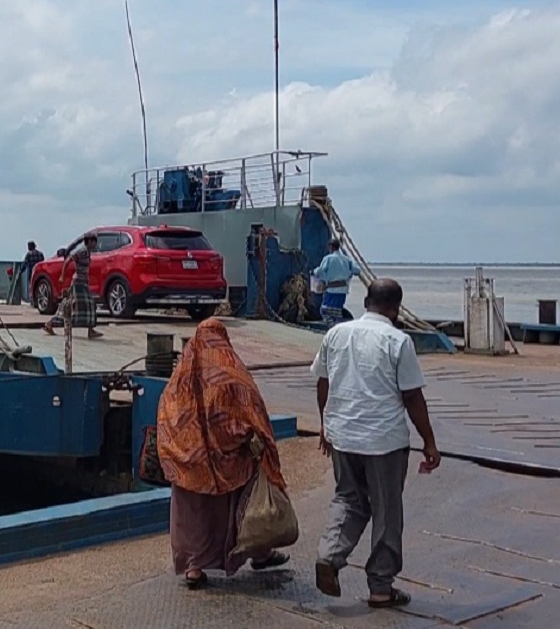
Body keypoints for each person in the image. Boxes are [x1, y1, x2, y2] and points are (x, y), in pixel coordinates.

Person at [311, 278, 439, 609]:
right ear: (396, 309)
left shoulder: (336, 333)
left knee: (348, 499)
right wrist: (429, 441)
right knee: (386, 510)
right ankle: (381, 587)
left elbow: (323, 383)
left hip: (343, 436)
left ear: (366, 301)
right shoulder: (398, 341)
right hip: (384, 441)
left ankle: (329, 554)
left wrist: (325, 424)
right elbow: (412, 396)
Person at [156, 318, 290, 588]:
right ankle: (259, 551)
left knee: (191, 514)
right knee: (244, 502)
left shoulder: (179, 379)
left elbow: (166, 417)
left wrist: (186, 447)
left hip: (188, 460)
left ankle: (193, 568)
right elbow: (251, 410)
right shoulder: (231, 371)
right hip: (228, 459)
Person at [43, 233, 103, 339]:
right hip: (78, 283)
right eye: (94, 242)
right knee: (76, 306)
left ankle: (90, 330)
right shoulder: (81, 251)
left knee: (87, 305)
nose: (95, 244)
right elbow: (68, 261)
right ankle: (51, 323)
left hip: (83, 282)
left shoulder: (87, 252)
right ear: (89, 241)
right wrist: (62, 276)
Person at [312, 240, 363, 326]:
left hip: (332, 290)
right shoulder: (347, 259)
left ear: (330, 247)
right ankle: (337, 324)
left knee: (325, 310)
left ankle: (332, 326)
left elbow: (320, 271)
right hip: (343, 290)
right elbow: (357, 271)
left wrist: (313, 272)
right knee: (337, 311)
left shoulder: (328, 258)